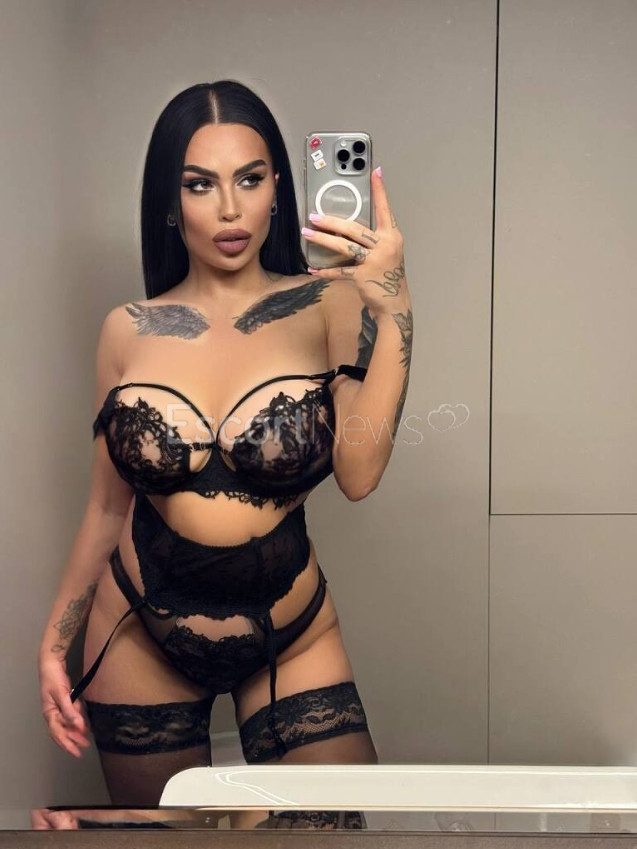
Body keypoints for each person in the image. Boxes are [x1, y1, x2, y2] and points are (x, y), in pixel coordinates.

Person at [38, 79, 413, 812]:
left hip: (291, 633)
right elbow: (106, 509)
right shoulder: (125, 329)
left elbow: (360, 471)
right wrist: (53, 645)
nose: (230, 209)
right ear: (170, 203)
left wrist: (395, 310)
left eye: (249, 178)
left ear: (278, 190)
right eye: (199, 184)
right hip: (136, 632)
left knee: (332, 831)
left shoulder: (331, 304)